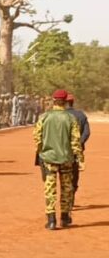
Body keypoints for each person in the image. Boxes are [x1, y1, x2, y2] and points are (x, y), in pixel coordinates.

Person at [33, 89, 84, 230]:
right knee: (67, 188)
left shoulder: (44, 117)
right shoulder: (70, 118)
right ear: (66, 101)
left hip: (48, 158)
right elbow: (75, 141)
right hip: (66, 158)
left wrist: (41, 151)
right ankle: (65, 217)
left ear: (53, 100)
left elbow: (37, 137)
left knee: (50, 188)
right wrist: (79, 158)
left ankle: (51, 220)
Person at [65, 93, 90, 206]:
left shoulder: (60, 115)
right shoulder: (81, 115)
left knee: (64, 174)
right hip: (77, 150)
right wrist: (79, 143)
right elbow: (87, 132)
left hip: (63, 150)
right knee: (75, 174)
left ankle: (66, 197)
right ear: (73, 102)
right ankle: (72, 195)